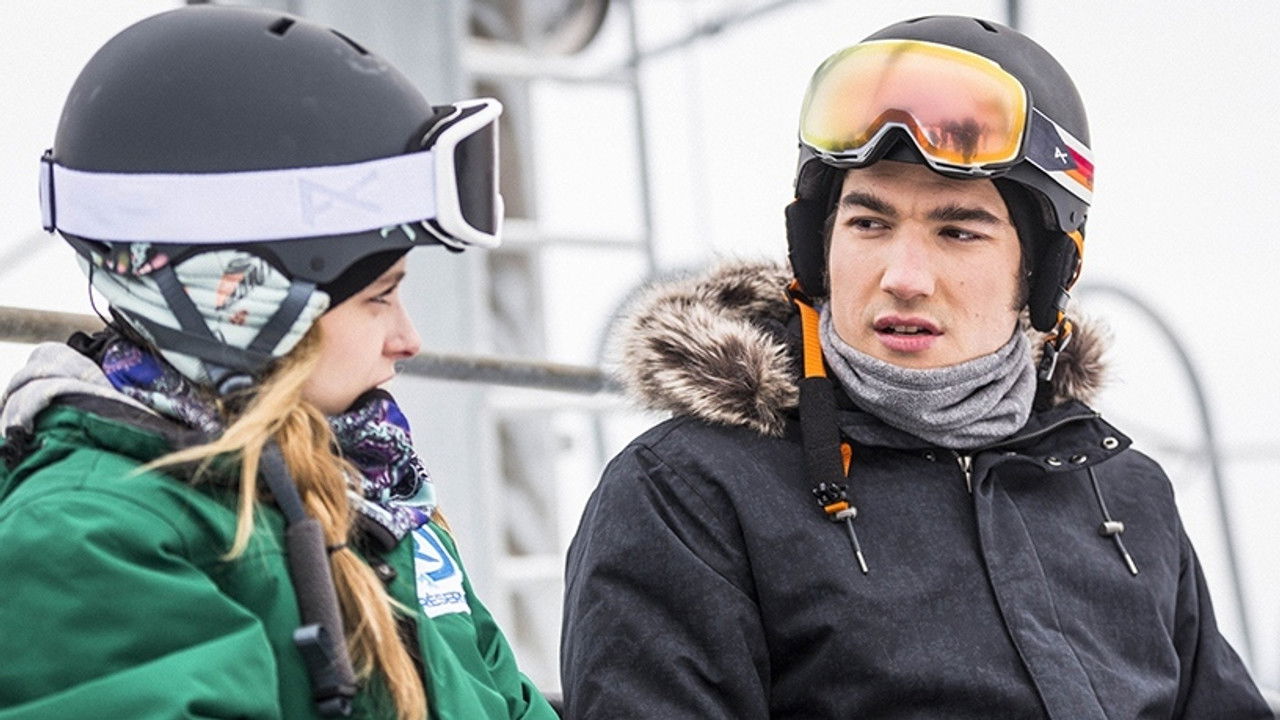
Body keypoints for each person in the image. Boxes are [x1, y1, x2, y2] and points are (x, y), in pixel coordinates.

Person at [561, 15, 1274, 720]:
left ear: (1048, 271)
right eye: (869, 224)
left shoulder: (1118, 489)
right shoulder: (689, 495)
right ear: (817, 249)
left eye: (958, 231)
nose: (904, 278)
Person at [0, 6, 557, 719]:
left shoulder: (381, 498)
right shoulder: (92, 538)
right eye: (379, 297)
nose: (409, 338)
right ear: (239, 301)